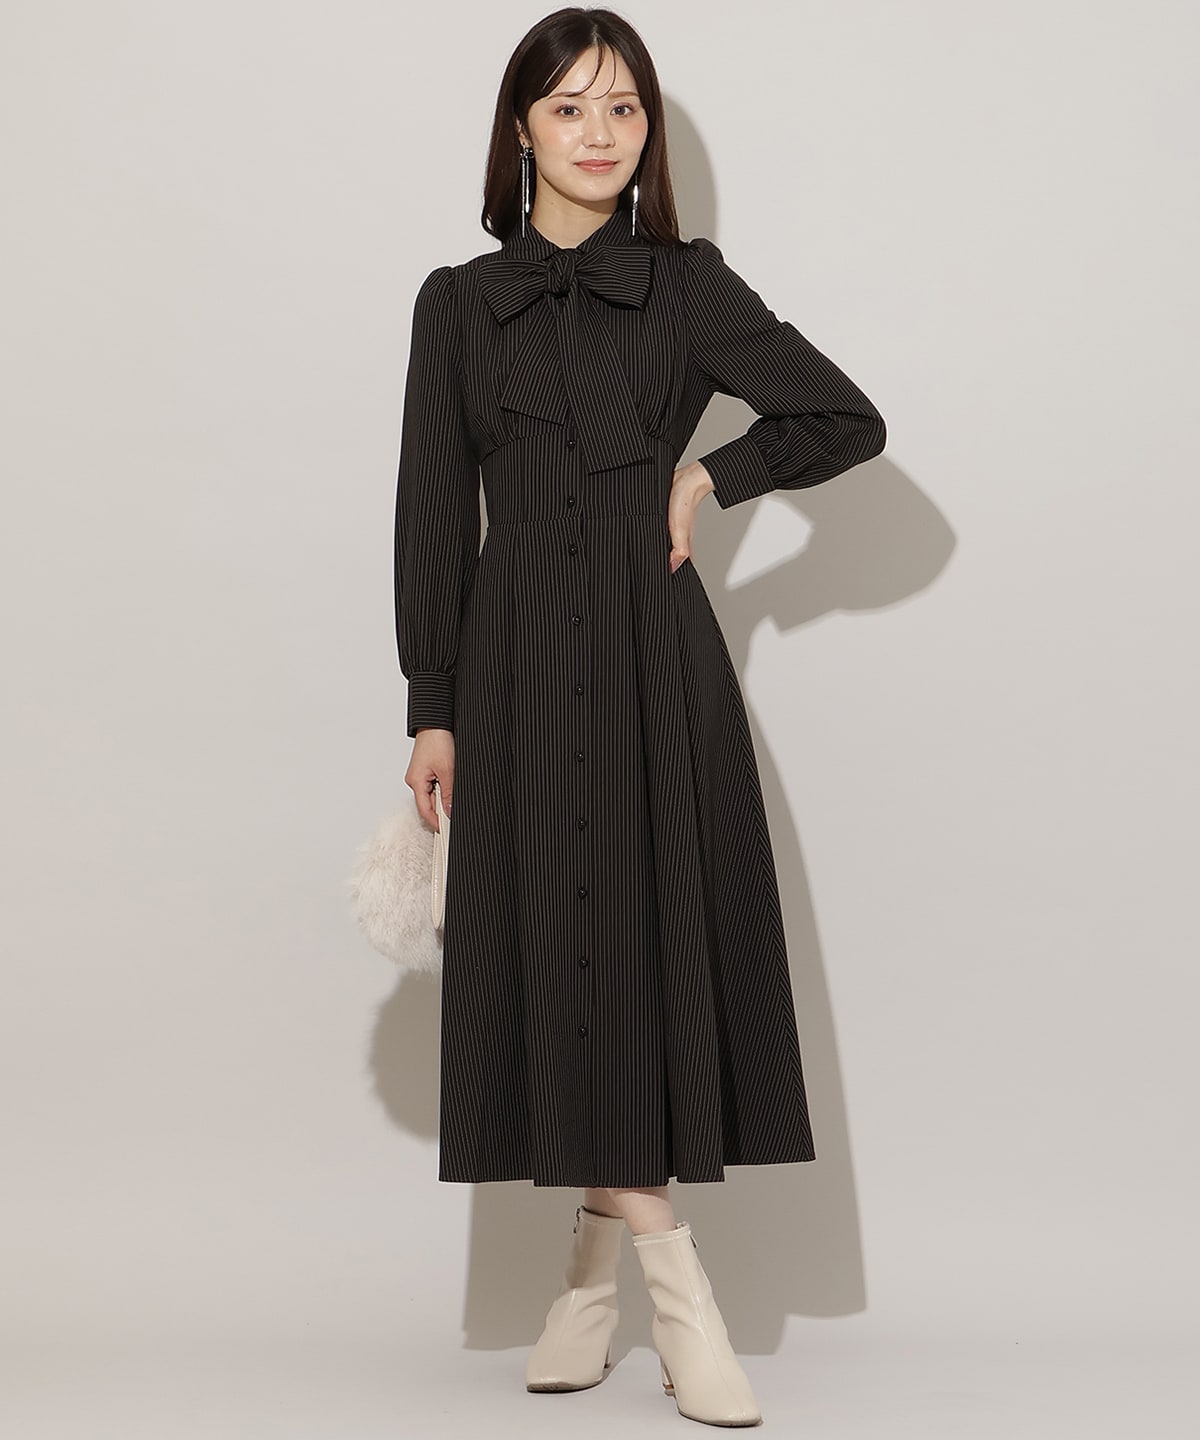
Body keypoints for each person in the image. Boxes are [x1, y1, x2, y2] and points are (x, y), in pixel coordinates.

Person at [393, 6, 885, 1426]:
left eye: (623, 108)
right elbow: (432, 514)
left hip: (651, 657)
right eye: (568, 108)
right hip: (509, 664)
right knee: (559, 951)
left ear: (646, 132)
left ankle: (624, 1288)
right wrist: (432, 706)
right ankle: (631, 1278)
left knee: (640, 950)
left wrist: (709, 479)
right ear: (522, 130)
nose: (599, 134)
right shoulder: (457, 303)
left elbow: (842, 418)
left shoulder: (686, 287)